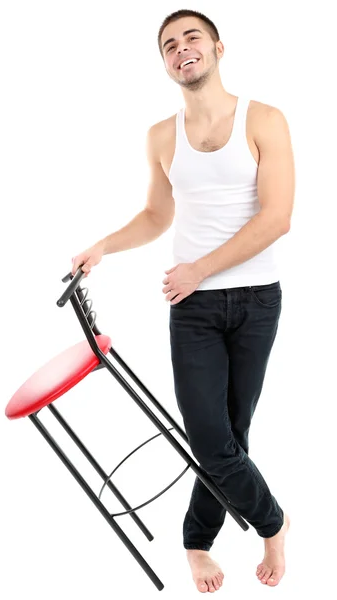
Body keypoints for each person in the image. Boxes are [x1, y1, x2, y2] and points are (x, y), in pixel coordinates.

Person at [71, 8, 294, 594]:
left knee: (230, 438)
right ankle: (274, 523)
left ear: (219, 47)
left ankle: (197, 541)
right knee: (212, 440)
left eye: (192, 37)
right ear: (165, 63)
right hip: (192, 309)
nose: (181, 48)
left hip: (255, 300)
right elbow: (156, 215)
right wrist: (103, 246)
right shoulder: (161, 136)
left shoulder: (265, 119)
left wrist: (199, 268)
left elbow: (277, 219)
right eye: (169, 44)